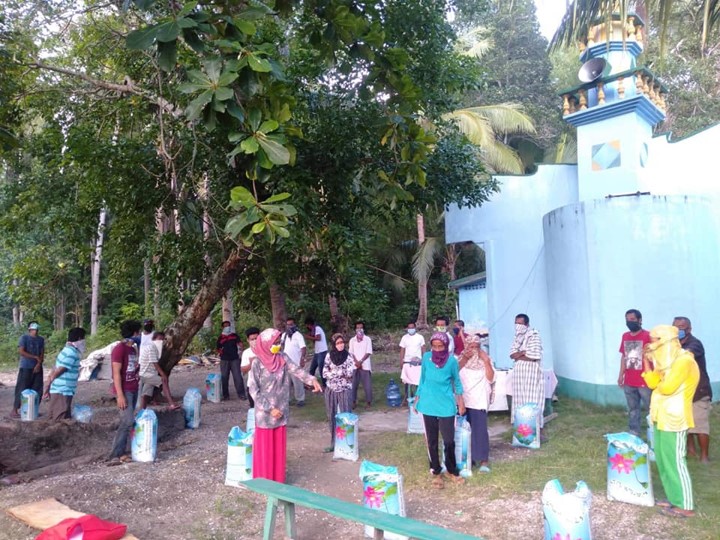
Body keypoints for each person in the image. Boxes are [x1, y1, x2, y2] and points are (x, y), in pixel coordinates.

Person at [248, 328, 322, 483]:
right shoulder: (257, 363)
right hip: (265, 414)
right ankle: (264, 481)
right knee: (266, 449)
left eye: (278, 342)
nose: (277, 346)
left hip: (281, 411)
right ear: (266, 344)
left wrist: (311, 379)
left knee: (278, 447)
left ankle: (278, 479)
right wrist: (269, 409)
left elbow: (296, 370)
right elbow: (253, 390)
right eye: (274, 343)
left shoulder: (282, 357)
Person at [642, 324, 699, 518]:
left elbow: (666, 388)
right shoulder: (666, 362)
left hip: (675, 419)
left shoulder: (683, 361)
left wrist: (658, 374)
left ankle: (685, 505)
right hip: (661, 417)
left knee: (675, 461)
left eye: (656, 341)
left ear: (667, 341)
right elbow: (651, 383)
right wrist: (647, 362)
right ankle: (673, 499)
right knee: (664, 461)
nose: (652, 346)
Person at [415, 332, 465, 488]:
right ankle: (436, 471)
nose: (437, 349)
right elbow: (422, 379)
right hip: (428, 404)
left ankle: (451, 470)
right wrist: (417, 397)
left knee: (449, 440)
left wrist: (460, 402)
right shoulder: (426, 358)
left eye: (440, 346)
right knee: (432, 441)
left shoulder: (451, 361)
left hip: (446, 406)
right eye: (434, 346)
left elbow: (457, 382)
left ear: (446, 346)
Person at [673, 316, 712, 463]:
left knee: (700, 425)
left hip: (698, 391)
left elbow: (686, 356)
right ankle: (691, 450)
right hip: (682, 391)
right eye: (675, 327)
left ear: (689, 329)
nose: (677, 330)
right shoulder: (674, 345)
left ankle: (704, 456)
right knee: (686, 424)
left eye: (681, 327)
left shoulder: (694, 344)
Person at [458, 334, 495, 473]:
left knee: (480, 431)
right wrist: (465, 359)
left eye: (476, 347)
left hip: (479, 400)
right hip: (463, 401)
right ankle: (469, 459)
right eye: (471, 346)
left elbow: (491, 379)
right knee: (464, 431)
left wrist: (486, 361)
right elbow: (454, 375)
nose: (473, 350)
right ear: (466, 346)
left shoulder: (485, 360)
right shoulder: (460, 360)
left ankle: (484, 460)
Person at [109, 320, 142, 463]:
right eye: (138, 332)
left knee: (127, 421)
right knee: (127, 420)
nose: (140, 334)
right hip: (125, 390)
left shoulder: (132, 349)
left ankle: (122, 452)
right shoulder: (119, 349)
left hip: (133, 388)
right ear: (134, 333)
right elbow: (116, 373)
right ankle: (115, 454)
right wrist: (120, 395)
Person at [509, 314, 545, 439]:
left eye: (520, 323)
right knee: (519, 401)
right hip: (519, 375)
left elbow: (533, 355)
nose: (518, 326)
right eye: (516, 323)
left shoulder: (534, 335)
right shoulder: (517, 337)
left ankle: (538, 431)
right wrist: (521, 353)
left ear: (527, 325)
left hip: (531, 374)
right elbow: (512, 354)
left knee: (533, 401)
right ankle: (521, 432)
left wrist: (520, 355)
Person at [618, 309, 652, 435]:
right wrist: (621, 375)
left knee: (651, 409)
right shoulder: (625, 336)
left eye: (632, 319)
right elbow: (624, 356)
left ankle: (653, 433)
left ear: (640, 320)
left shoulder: (648, 336)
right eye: (627, 319)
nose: (629, 322)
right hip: (629, 380)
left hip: (645, 380)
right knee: (633, 409)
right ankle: (634, 433)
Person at [322, 333, 356, 453]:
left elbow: (350, 373)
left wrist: (334, 373)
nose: (340, 345)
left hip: (345, 390)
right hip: (331, 390)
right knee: (331, 416)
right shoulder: (328, 356)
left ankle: (347, 444)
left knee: (346, 415)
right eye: (338, 343)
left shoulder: (349, 356)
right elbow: (324, 373)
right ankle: (333, 443)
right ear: (333, 344)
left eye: (342, 343)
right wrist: (338, 373)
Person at [43, 327, 86, 421]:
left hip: (61, 390)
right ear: (79, 339)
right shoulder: (71, 353)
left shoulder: (66, 350)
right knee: (59, 420)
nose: (84, 341)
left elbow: (54, 369)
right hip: (62, 390)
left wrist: (48, 386)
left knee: (60, 418)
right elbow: (58, 371)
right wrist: (47, 386)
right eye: (83, 339)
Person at [12, 321, 45, 418]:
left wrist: (39, 363)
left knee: (37, 388)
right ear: (29, 329)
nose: (35, 331)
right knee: (22, 388)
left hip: (37, 367)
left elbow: (42, 353)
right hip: (26, 366)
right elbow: (22, 352)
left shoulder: (41, 340)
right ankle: (15, 410)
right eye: (33, 329)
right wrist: (35, 357)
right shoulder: (24, 338)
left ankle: (33, 409)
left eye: (36, 329)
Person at [138, 331, 179, 410]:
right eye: (159, 339)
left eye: (162, 339)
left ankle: (141, 410)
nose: (161, 341)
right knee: (164, 381)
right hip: (146, 373)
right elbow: (154, 362)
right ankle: (171, 403)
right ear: (154, 339)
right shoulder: (151, 348)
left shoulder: (154, 348)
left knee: (146, 394)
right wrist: (162, 374)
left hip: (149, 373)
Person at [216, 321, 247, 401]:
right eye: (226, 326)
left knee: (238, 377)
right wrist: (221, 352)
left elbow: (240, 344)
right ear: (222, 328)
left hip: (235, 359)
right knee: (224, 377)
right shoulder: (220, 338)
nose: (227, 327)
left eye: (228, 326)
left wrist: (241, 352)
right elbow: (217, 348)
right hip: (224, 360)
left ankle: (241, 394)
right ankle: (226, 395)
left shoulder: (234, 336)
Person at [282, 317, 307, 407]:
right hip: (285, 363)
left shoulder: (298, 335)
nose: (290, 326)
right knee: (286, 383)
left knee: (298, 383)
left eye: (291, 324)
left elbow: (303, 348)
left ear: (295, 325)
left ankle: (300, 399)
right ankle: (287, 399)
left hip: (296, 363)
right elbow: (282, 346)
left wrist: (302, 359)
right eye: (288, 325)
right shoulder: (284, 335)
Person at [399, 321, 425, 403]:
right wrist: (401, 360)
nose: (411, 329)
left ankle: (419, 397)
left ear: (415, 328)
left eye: (412, 328)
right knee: (407, 381)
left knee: (418, 380)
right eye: (409, 328)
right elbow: (402, 350)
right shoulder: (404, 338)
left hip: (418, 362)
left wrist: (424, 360)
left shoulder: (420, 337)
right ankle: (407, 397)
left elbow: (423, 349)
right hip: (407, 362)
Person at [349, 321, 373, 408]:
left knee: (367, 385)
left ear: (364, 329)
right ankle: (353, 402)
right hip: (354, 365)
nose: (359, 329)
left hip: (365, 365)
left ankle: (368, 402)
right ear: (355, 329)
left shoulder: (367, 339)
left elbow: (368, 352)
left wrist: (361, 361)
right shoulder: (352, 340)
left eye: (361, 327)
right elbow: (351, 353)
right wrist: (356, 362)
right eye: (357, 328)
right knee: (353, 385)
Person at [304, 317, 328, 387]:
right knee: (312, 369)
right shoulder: (314, 330)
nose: (306, 327)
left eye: (307, 325)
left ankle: (325, 385)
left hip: (322, 351)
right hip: (317, 352)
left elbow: (318, 338)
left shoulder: (317, 328)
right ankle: (309, 383)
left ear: (309, 324)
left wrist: (308, 337)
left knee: (321, 369)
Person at [241, 327, 261, 409]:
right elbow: (243, 370)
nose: (254, 341)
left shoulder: (267, 350)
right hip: (252, 385)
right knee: (254, 410)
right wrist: (251, 363)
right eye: (252, 339)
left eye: (256, 338)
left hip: (266, 385)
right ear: (248, 340)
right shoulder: (246, 353)